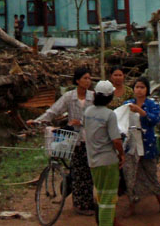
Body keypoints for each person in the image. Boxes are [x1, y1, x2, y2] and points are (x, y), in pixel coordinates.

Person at [26, 67, 96, 215]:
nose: (88, 81)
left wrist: (82, 122)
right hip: (75, 140)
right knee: (78, 172)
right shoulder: (69, 97)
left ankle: (88, 202)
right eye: (85, 78)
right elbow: (53, 111)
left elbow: (98, 117)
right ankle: (79, 205)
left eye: (89, 78)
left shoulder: (93, 97)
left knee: (89, 173)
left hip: (91, 139)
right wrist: (37, 121)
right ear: (77, 81)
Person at [122, 77, 160, 216]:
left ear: (147, 90)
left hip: (147, 144)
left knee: (152, 175)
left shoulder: (152, 105)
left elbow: (155, 120)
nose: (139, 90)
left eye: (142, 87)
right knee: (130, 177)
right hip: (131, 145)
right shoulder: (127, 104)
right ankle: (132, 206)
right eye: (137, 87)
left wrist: (141, 112)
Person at [84, 80, 125, 226]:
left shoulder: (88, 112)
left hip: (93, 162)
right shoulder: (110, 115)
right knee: (108, 200)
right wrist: (122, 154)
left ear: (95, 94)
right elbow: (116, 140)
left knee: (101, 196)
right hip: (108, 161)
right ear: (110, 97)